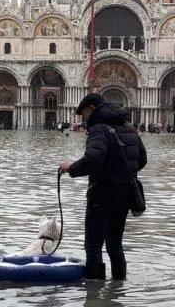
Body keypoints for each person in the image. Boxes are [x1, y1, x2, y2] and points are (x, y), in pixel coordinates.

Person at [59, 93, 147, 280]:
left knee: (93, 246)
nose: (84, 121)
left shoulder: (99, 128)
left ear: (91, 108)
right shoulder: (129, 127)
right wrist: (121, 173)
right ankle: (118, 289)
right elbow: (142, 159)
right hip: (125, 196)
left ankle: (94, 295)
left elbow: (93, 159)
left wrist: (70, 168)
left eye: (84, 115)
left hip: (102, 195)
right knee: (115, 245)